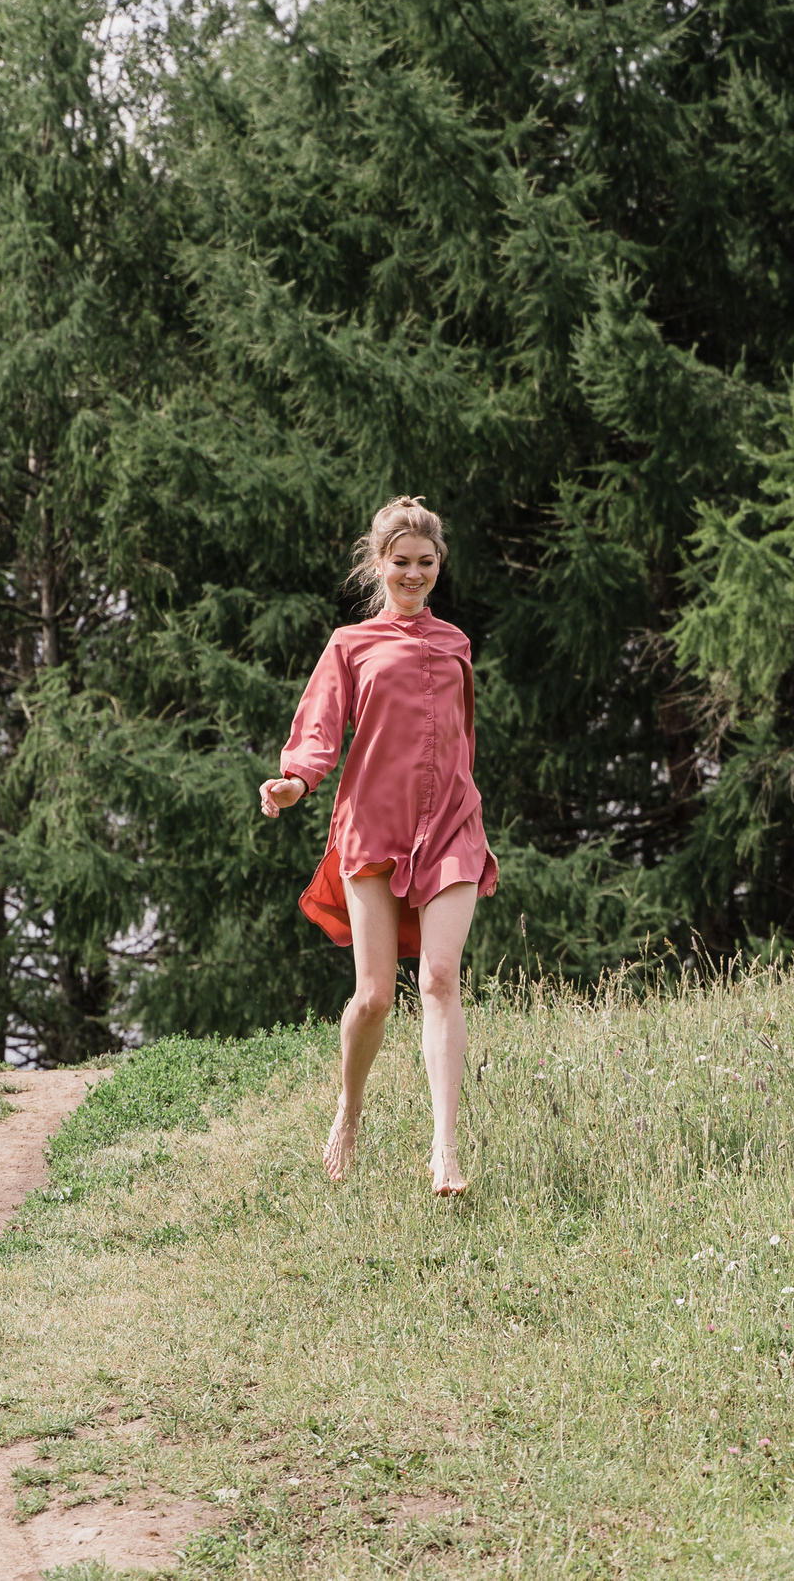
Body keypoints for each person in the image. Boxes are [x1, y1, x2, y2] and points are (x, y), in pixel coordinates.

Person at [258, 496, 497, 1195]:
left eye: (426, 562)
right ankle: (350, 1107)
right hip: (373, 827)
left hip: (452, 821)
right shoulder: (351, 644)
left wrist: (458, 802)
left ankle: (445, 1148)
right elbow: (320, 730)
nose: (414, 573)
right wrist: (295, 783)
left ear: (439, 565)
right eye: (401, 563)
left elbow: (460, 736)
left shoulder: (456, 643)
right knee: (373, 998)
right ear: (380, 565)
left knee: (441, 978)